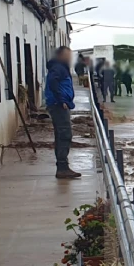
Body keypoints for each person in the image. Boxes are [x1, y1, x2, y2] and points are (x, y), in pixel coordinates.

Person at [44, 46, 80, 179]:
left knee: (61, 135)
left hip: (59, 104)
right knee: (65, 134)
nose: (70, 58)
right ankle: (62, 167)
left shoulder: (60, 67)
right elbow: (53, 83)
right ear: (61, 55)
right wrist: (61, 100)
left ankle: (62, 166)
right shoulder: (58, 67)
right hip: (58, 105)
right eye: (67, 55)